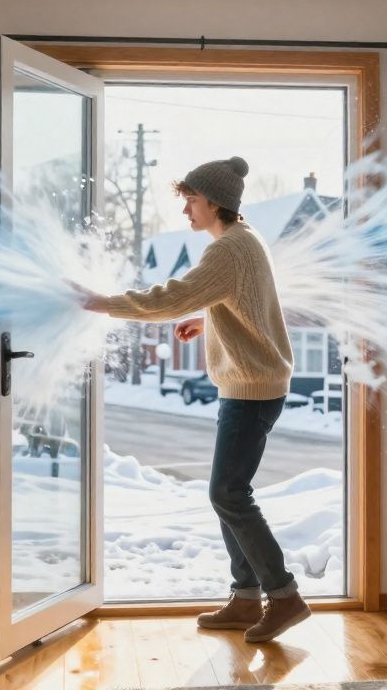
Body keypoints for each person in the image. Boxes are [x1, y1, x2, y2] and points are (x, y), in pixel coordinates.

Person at [75, 156, 310, 643]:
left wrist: (100, 302)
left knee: (228, 494)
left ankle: (283, 597)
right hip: (250, 383)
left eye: (191, 199)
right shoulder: (243, 241)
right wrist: (211, 320)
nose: (185, 208)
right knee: (228, 495)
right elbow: (252, 303)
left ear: (215, 202)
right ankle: (246, 599)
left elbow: (168, 298)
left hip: (252, 388)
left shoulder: (229, 250)